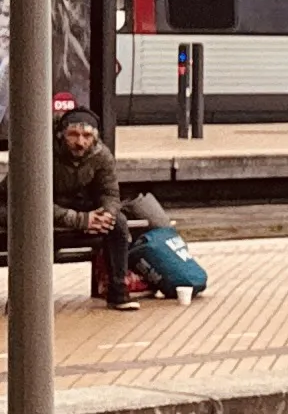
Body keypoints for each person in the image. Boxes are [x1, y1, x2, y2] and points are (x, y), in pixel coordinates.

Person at [20, 107, 185, 309]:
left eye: (86, 136)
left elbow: (110, 193)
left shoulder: (101, 155)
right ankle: (25, 300)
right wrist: (81, 220)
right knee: (31, 227)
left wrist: (105, 215)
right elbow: (32, 201)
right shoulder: (40, 151)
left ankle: (118, 292)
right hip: (29, 209)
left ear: (94, 138)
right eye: (73, 135)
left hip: (74, 207)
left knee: (117, 224)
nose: (80, 142)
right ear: (60, 134)